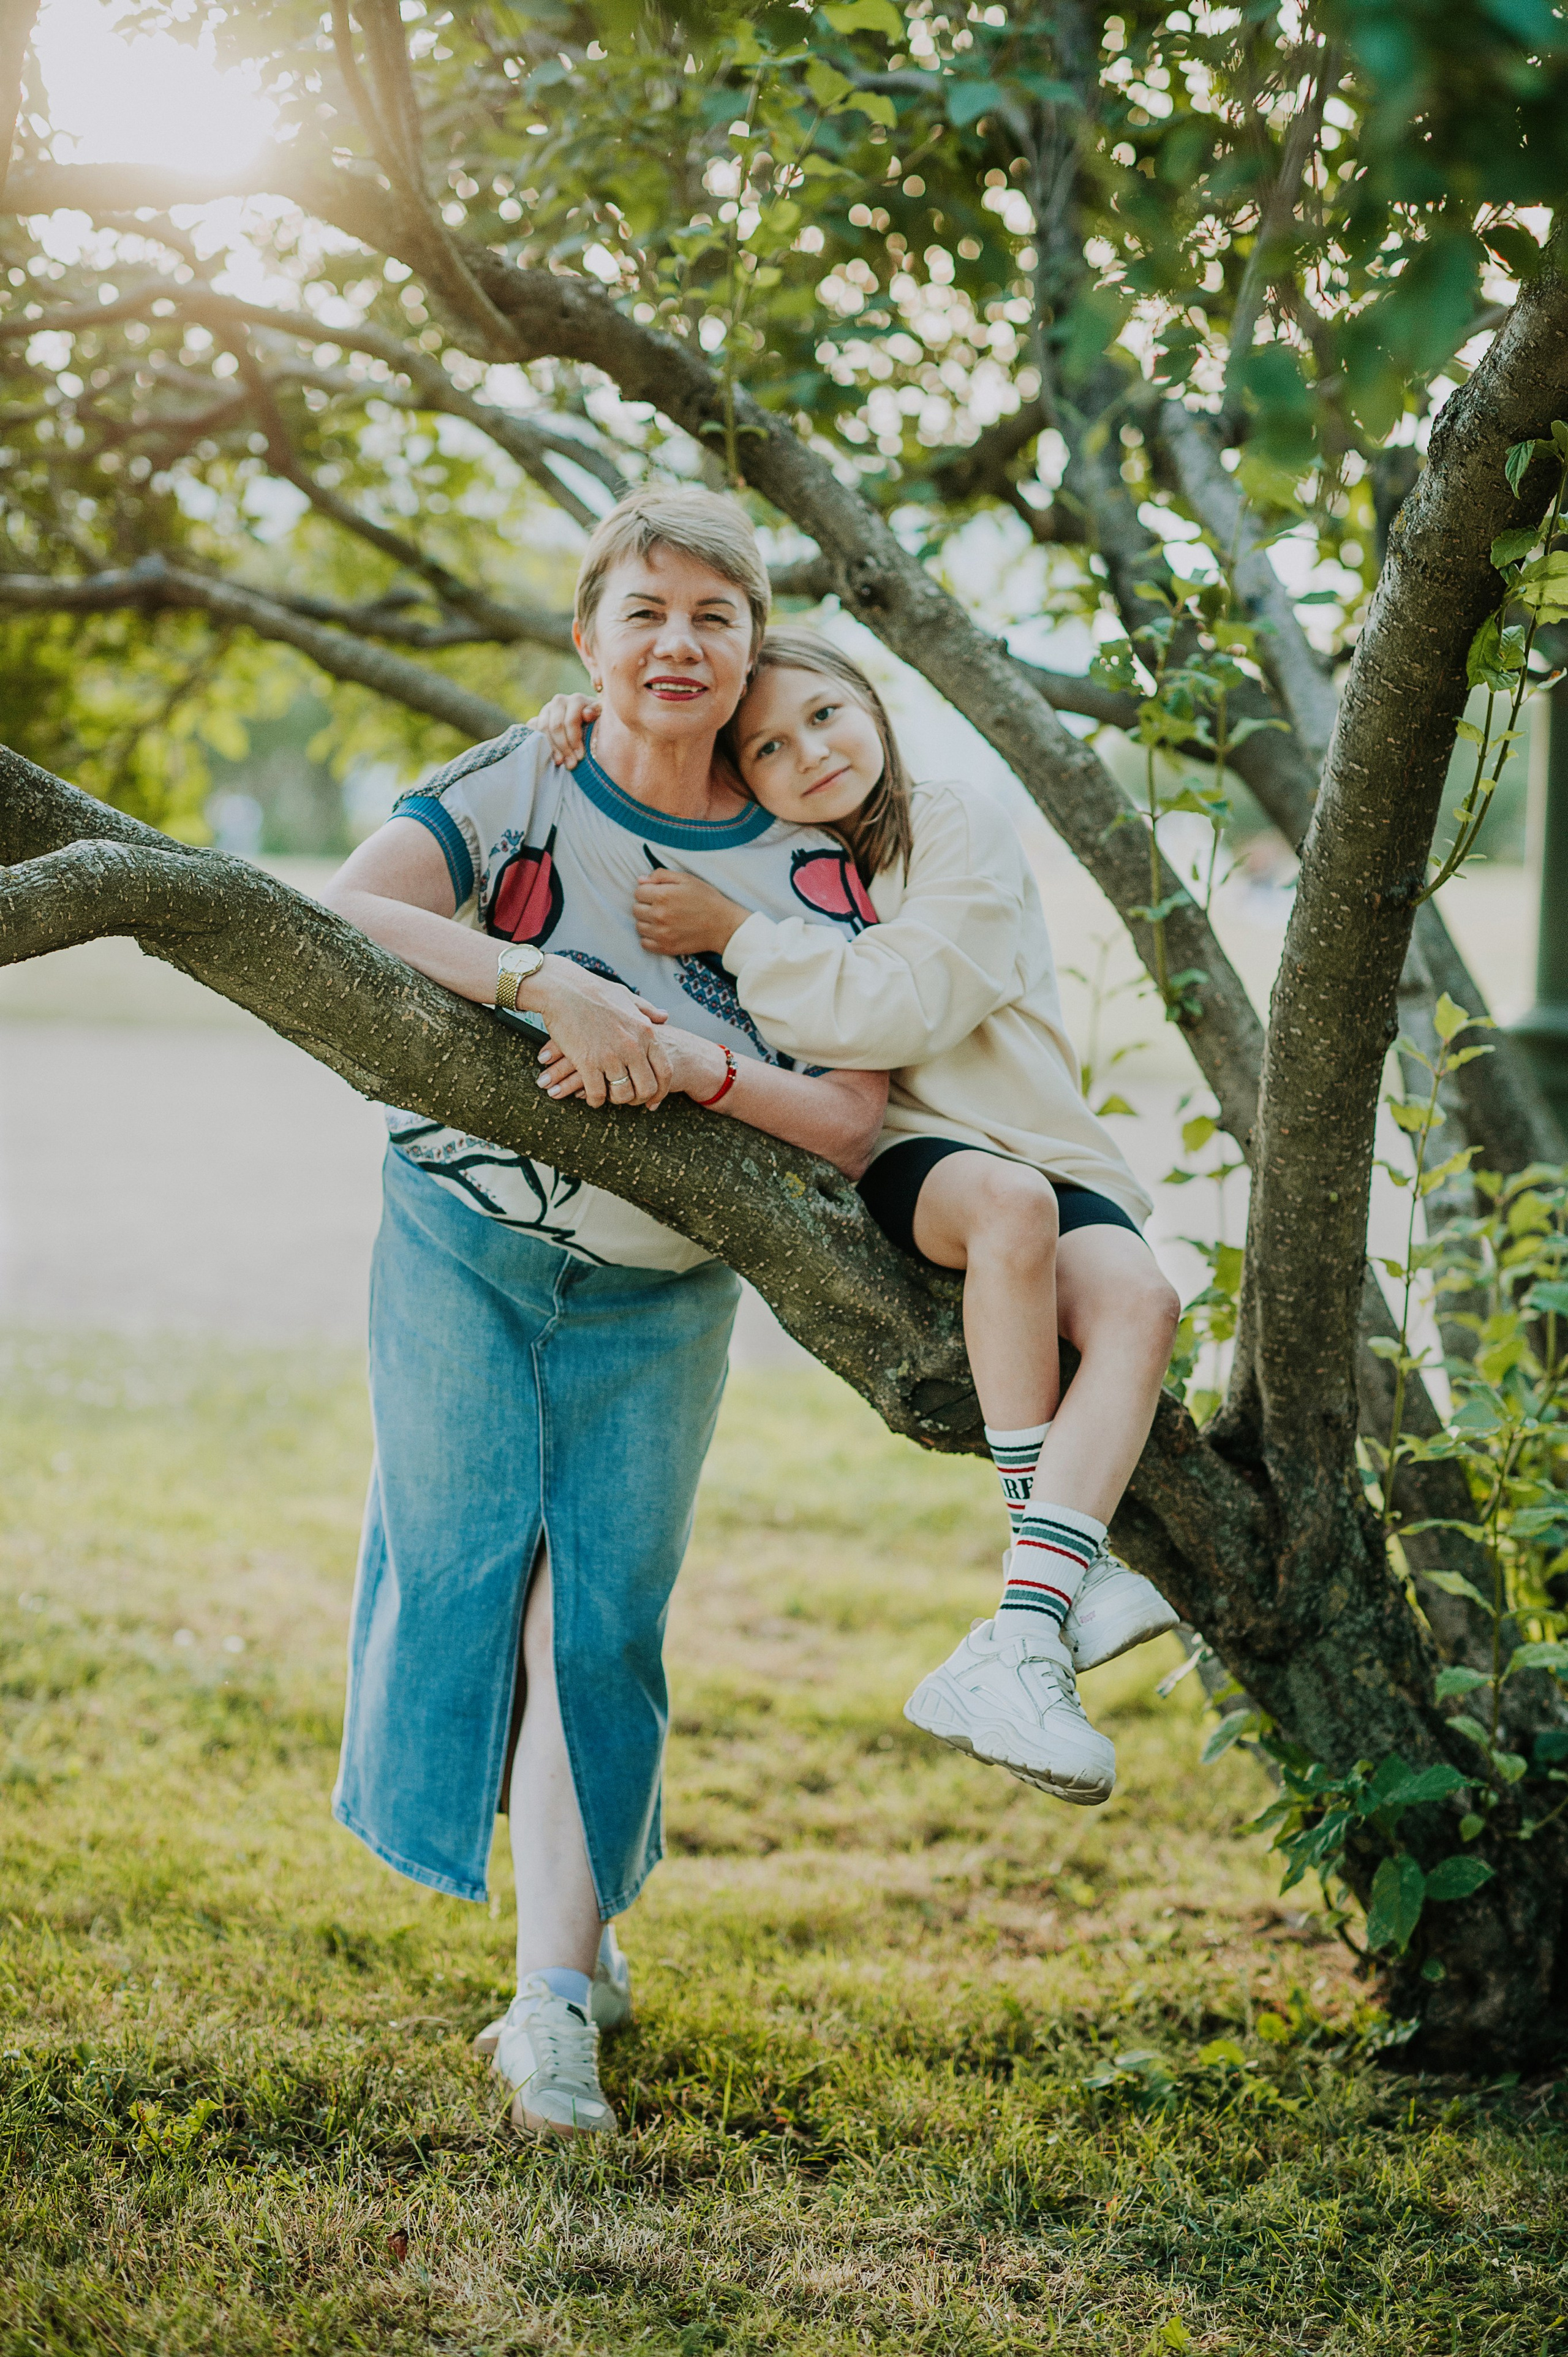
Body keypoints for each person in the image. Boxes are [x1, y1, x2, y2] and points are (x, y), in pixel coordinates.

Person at [322, 498, 888, 2141]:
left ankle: (555, 1991)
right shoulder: (526, 776)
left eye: (718, 615)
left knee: (601, 1620)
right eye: (645, 611)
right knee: (467, 1570)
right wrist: (546, 985)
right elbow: (339, 911)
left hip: (660, 1292)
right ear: (590, 639)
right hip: (457, 1249)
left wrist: (688, 1058)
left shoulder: (808, 861)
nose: (679, 643)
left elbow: (852, 1115)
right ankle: (561, 1948)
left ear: (753, 647)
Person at [531, 629, 1183, 1810]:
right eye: (770, 746)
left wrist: (735, 936)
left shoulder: (951, 820)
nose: (810, 754)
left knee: (1144, 1300)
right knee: (1010, 1208)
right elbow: (636, 787)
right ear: (743, 774)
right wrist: (576, 725)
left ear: (873, 706)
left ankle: (1026, 1622)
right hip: (907, 1152)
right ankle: (1044, 1610)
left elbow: (906, 1002)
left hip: (1037, 1137)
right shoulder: (766, 854)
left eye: (827, 716)